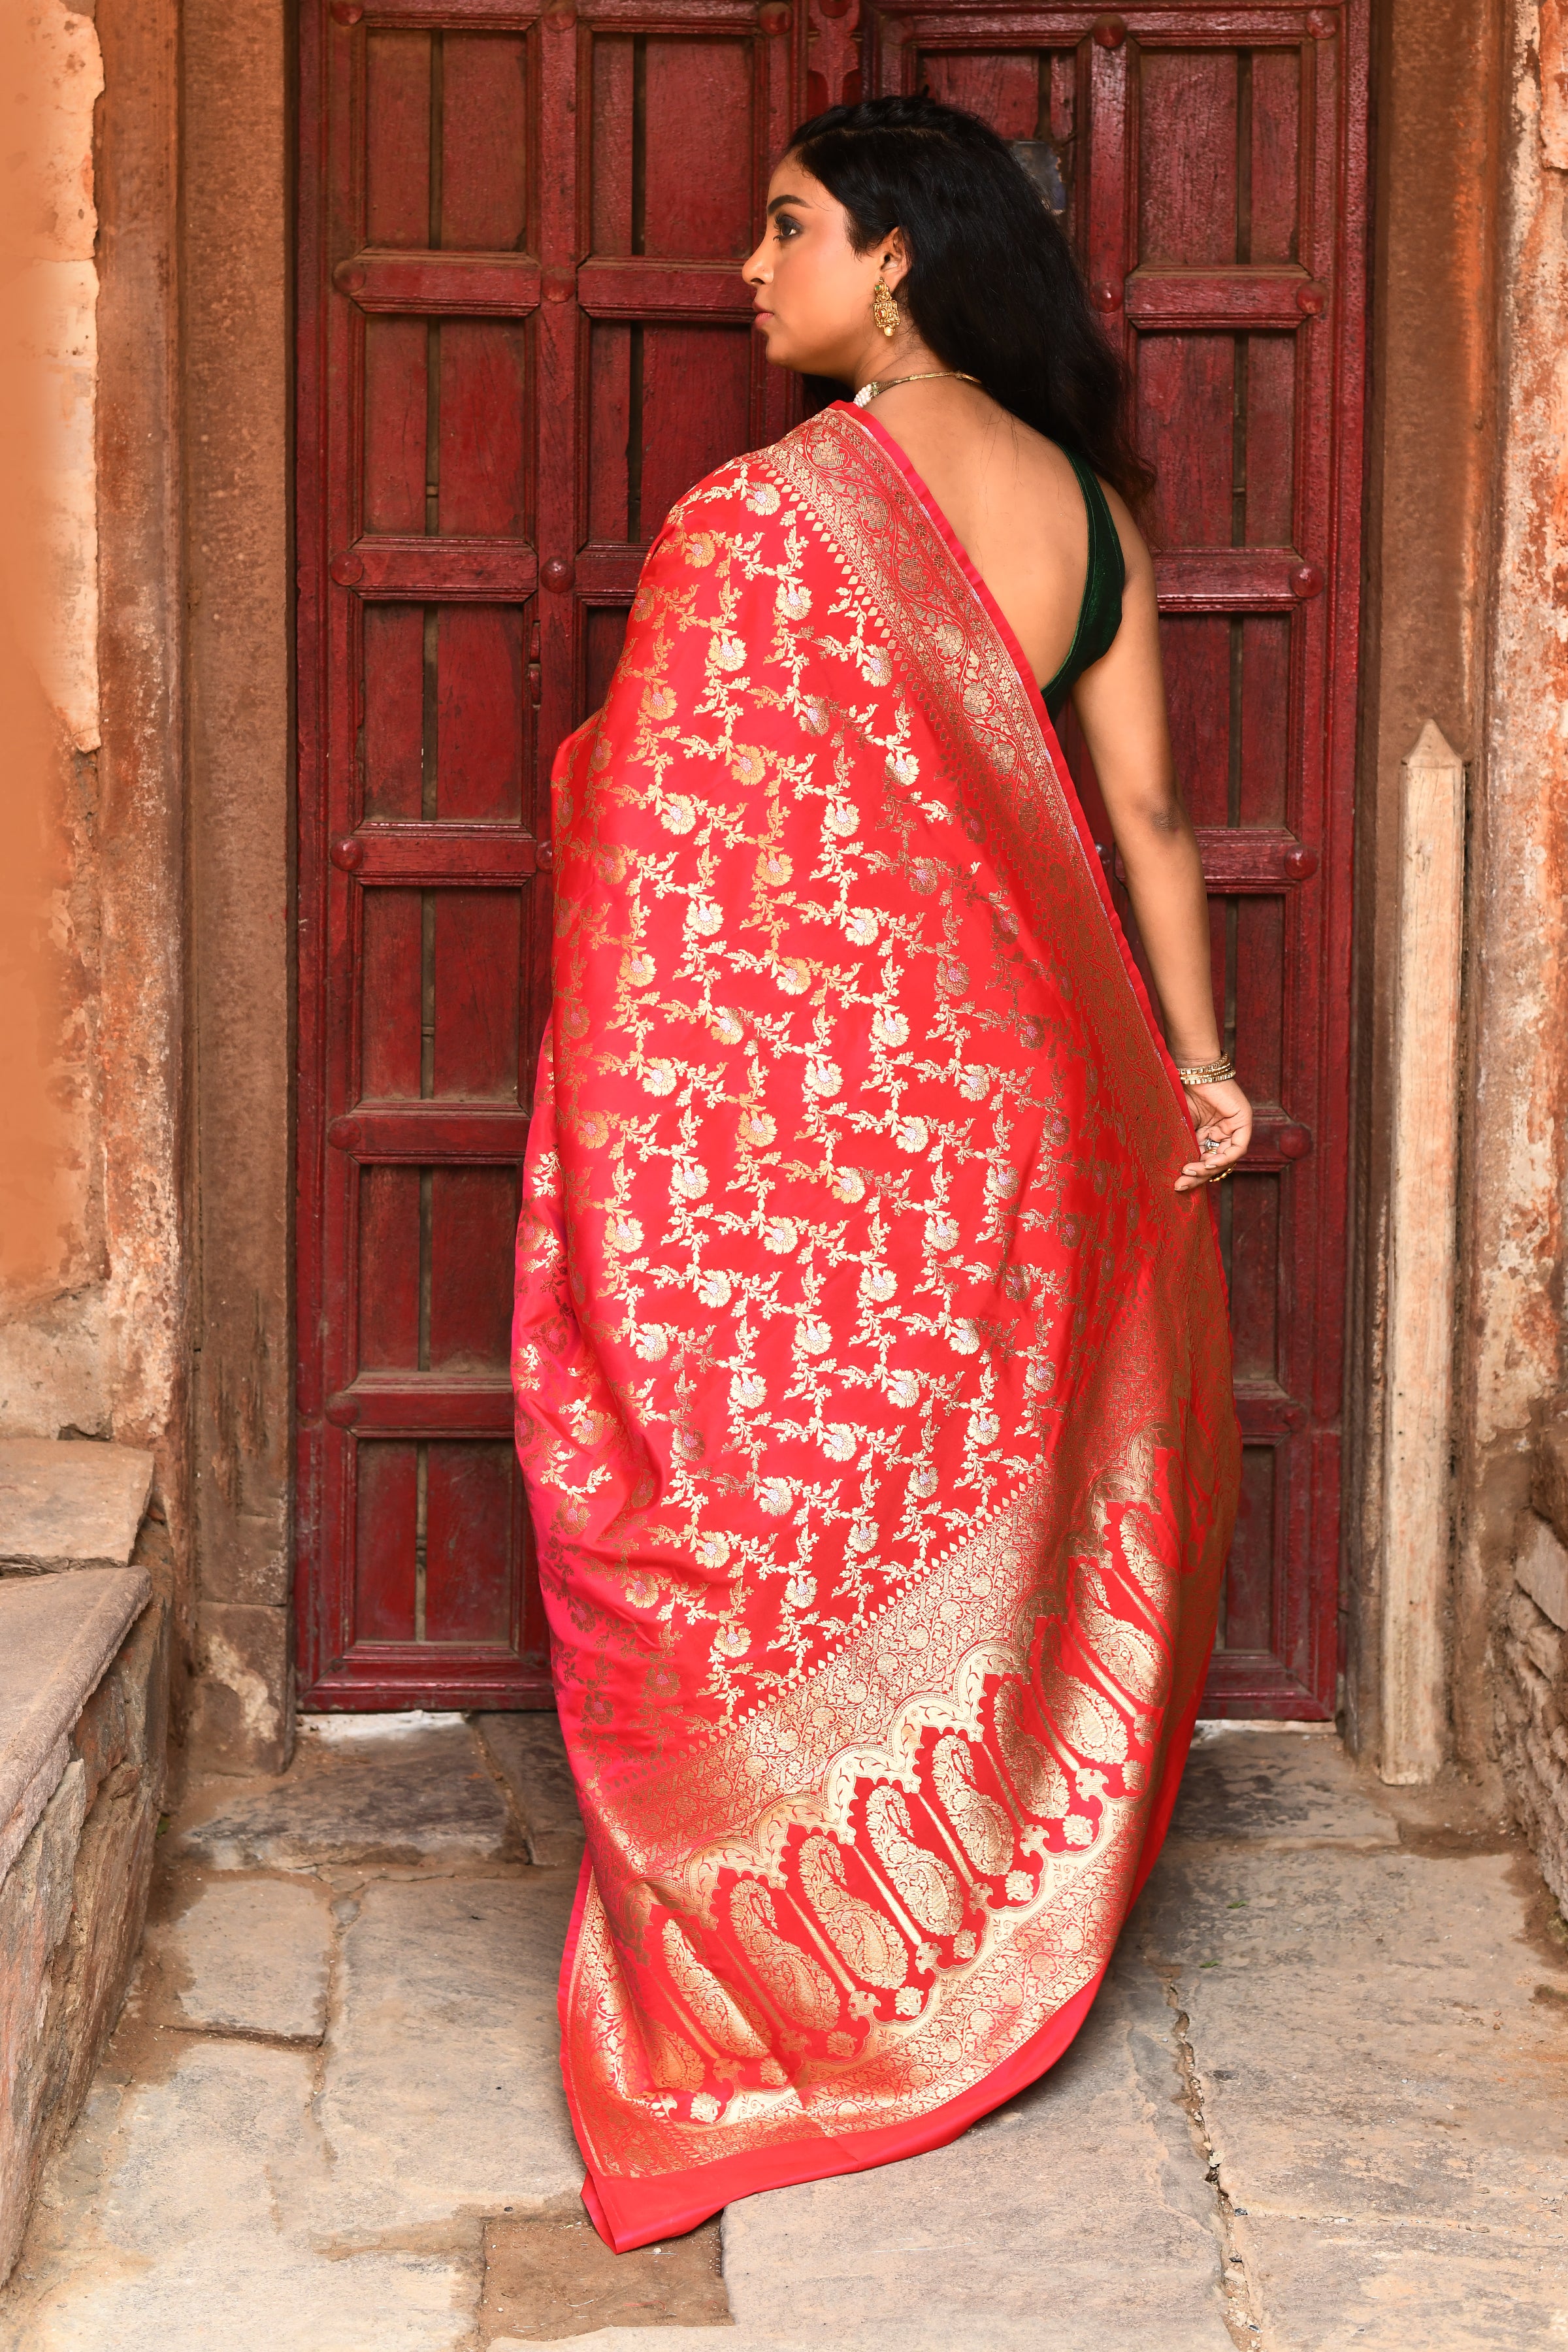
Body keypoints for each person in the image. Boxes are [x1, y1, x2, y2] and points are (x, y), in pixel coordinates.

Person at [512, 94, 1246, 2253]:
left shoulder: (762, 523)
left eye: (788, 227)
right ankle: (961, 1940)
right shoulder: (1092, 516)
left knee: (772, 1528)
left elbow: (665, 877)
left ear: (900, 257)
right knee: (982, 1534)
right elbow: (1159, 828)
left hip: (825, 1152)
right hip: (1027, 1130)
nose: (752, 270)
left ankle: (806, 1991)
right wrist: (1198, 1070)